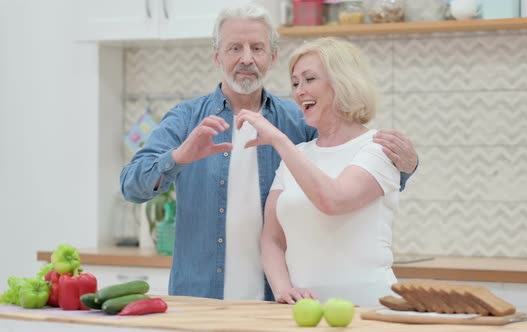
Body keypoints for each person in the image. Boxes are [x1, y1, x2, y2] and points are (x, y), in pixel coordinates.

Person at [120, 3, 417, 302]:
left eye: (257, 48)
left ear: (272, 57)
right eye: (235, 48)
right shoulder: (186, 119)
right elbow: (131, 185)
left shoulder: (298, 120)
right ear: (217, 56)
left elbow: (344, 158)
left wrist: (404, 166)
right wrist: (179, 157)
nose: (246, 58)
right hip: (199, 297)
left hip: (274, 299)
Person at [235, 37, 400, 307]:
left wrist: (279, 140)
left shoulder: (378, 148)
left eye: (309, 79)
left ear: (342, 82)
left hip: (370, 308)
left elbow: (333, 200)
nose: (299, 91)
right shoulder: (296, 155)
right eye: (296, 83)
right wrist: (283, 289)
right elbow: (272, 239)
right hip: (304, 314)